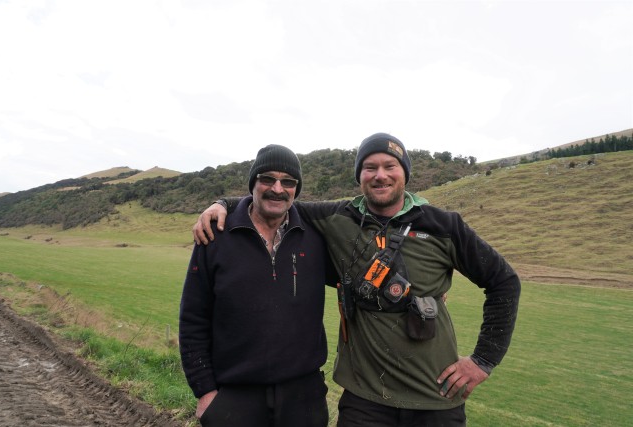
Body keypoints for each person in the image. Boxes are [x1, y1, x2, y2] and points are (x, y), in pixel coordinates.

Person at [194, 133, 521, 427]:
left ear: (404, 171)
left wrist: (482, 361)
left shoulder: (444, 225)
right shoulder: (337, 217)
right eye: (369, 167)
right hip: (364, 401)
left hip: (435, 398)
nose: (380, 175)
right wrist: (221, 204)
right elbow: (275, 200)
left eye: (389, 165)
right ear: (359, 176)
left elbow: (504, 281)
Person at [179, 144, 338, 427]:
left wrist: (427, 285)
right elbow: (193, 317)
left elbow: (358, 277)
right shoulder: (215, 236)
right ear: (253, 183)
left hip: (304, 399)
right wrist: (205, 392)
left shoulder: (315, 237)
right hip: (234, 399)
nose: (277, 188)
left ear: (296, 190)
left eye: (288, 182)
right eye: (268, 179)